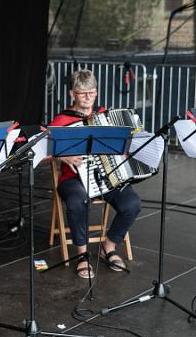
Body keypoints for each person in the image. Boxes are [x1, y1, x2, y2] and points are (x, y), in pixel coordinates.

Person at [48, 69, 141, 279]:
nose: (88, 97)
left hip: (106, 175)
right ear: (72, 94)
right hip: (72, 179)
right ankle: (82, 256)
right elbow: (43, 151)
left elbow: (122, 145)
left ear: (96, 92)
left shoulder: (105, 115)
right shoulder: (61, 120)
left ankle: (108, 247)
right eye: (82, 93)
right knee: (77, 202)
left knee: (132, 204)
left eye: (91, 92)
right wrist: (63, 156)